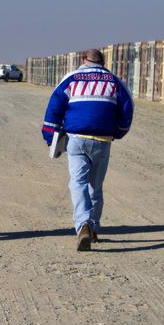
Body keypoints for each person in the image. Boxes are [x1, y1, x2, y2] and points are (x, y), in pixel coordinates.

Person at [41, 49, 134, 251]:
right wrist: (118, 132)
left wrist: (51, 137)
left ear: (84, 60)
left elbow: (54, 107)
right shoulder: (114, 81)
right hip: (103, 140)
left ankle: (82, 224)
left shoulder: (71, 79)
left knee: (78, 183)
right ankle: (92, 227)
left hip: (77, 139)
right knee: (96, 186)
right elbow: (127, 109)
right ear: (103, 61)